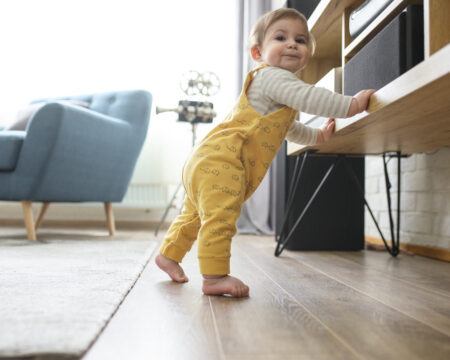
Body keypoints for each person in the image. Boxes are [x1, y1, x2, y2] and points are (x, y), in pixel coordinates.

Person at [155, 8, 375, 298]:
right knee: (220, 217)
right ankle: (214, 276)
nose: (293, 44)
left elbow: (288, 129)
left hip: (207, 158)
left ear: (308, 52)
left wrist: (318, 135)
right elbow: (311, 97)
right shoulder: (274, 78)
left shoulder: (276, 90)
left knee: (194, 214)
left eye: (301, 39)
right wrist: (351, 106)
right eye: (281, 37)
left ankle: (169, 255)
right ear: (258, 52)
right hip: (223, 160)